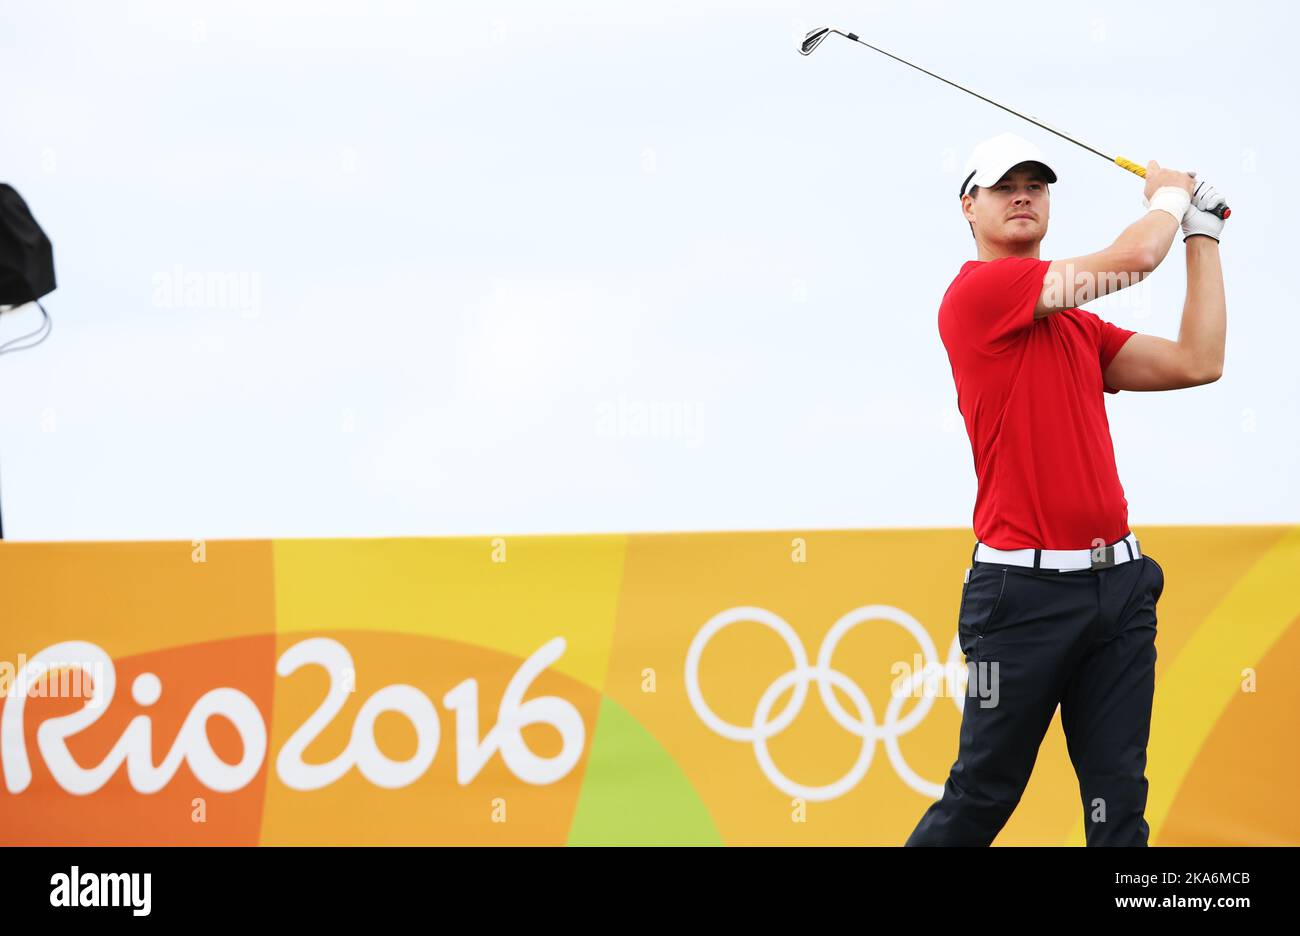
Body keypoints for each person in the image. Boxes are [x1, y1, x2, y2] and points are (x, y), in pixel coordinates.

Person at [905, 131, 1228, 846]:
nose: (1023, 195)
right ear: (968, 207)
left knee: (1119, 807)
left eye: (1037, 184)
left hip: (1119, 593)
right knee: (981, 796)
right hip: (1019, 601)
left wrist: (1201, 235)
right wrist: (1171, 196)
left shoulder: (1077, 327)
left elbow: (1198, 361)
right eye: (1003, 185)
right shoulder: (978, 293)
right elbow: (1136, 259)